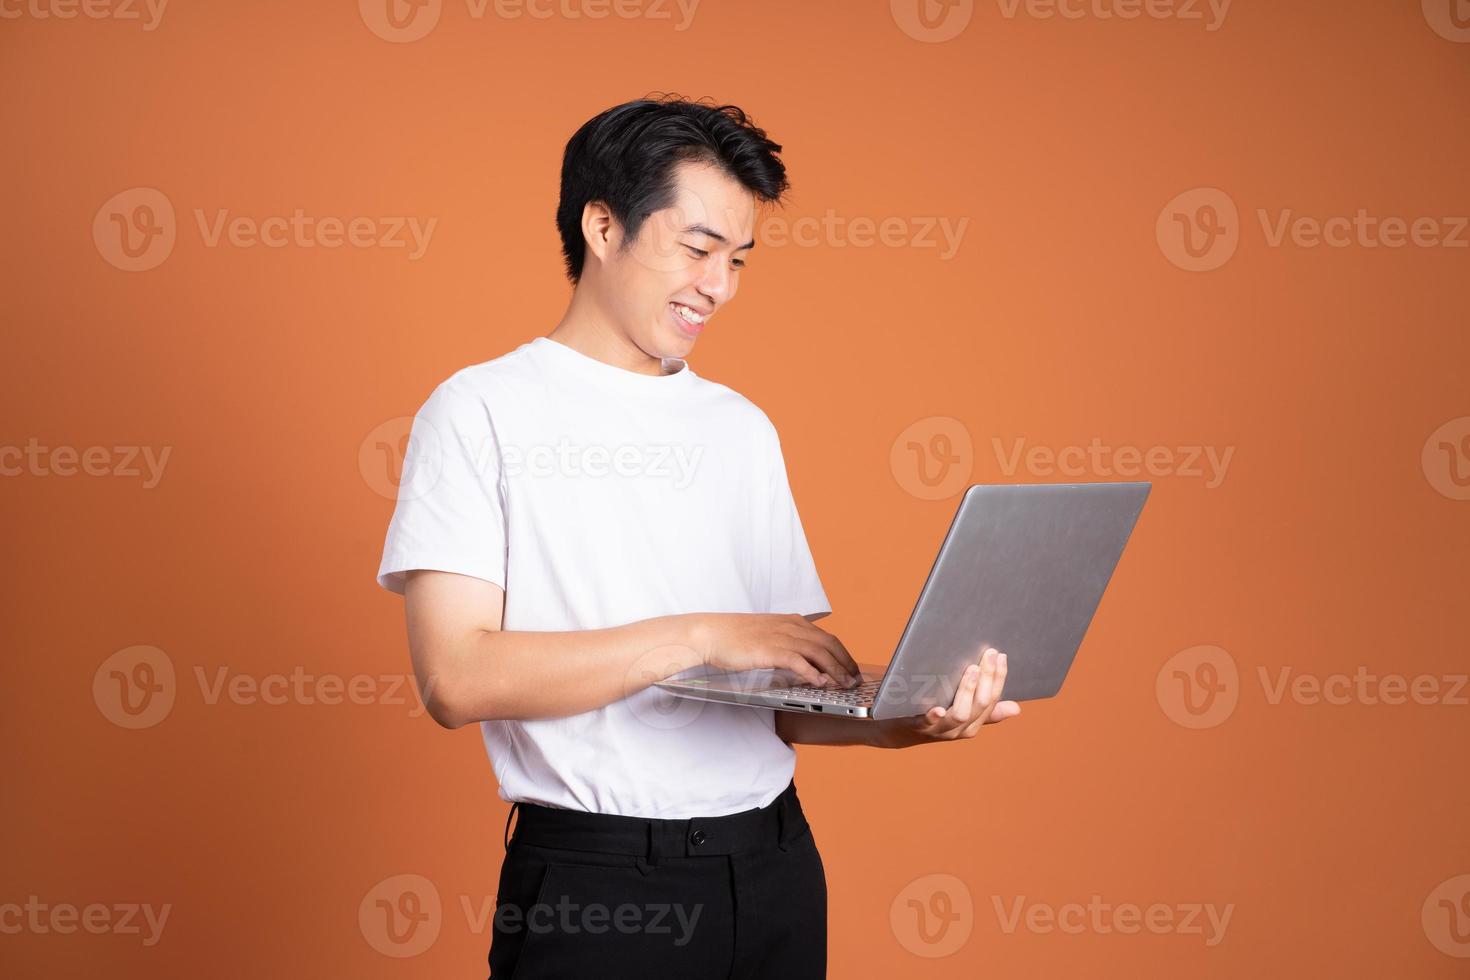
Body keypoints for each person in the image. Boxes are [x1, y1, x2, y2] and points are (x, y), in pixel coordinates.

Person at [375, 94, 1021, 979]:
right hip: (597, 886)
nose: (718, 285)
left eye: (739, 260)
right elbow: (456, 678)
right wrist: (702, 634)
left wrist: (902, 722)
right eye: (698, 249)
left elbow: (778, 696)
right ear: (603, 227)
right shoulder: (479, 410)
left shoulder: (740, 428)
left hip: (773, 868)